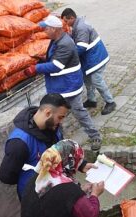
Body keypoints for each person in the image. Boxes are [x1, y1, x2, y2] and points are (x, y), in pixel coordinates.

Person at [24, 15, 102, 151]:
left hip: (68, 86)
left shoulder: (65, 43)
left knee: (78, 111)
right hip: (59, 85)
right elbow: (54, 58)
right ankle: (57, 142)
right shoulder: (56, 39)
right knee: (55, 116)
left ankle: (94, 136)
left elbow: (56, 66)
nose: (44, 32)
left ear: (54, 29)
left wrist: (36, 68)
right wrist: (44, 59)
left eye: (46, 29)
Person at [0, 93, 71, 200]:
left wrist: (81, 164)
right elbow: (7, 176)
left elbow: (61, 148)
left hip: (55, 187)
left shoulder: (54, 127)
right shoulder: (19, 143)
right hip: (33, 198)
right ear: (48, 112)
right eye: (60, 117)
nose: (61, 121)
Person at [19, 139, 104, 217]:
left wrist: (80, 191)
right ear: (70, 161)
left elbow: (55, 200)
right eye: (78, 160)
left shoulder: (36, 179)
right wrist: (95, 194)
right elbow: (89, 216)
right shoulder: (70, 191)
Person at [61, 8, 116, 115]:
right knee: (87, 79)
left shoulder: (81, 27)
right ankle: (92, 100)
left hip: (96, 58)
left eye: (66, 21)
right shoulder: (76, 25)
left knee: (96, 80)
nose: (65, 24)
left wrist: (68, 57)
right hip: (90, 58)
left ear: (72, 18)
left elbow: (81, 47)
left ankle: (110, 102)